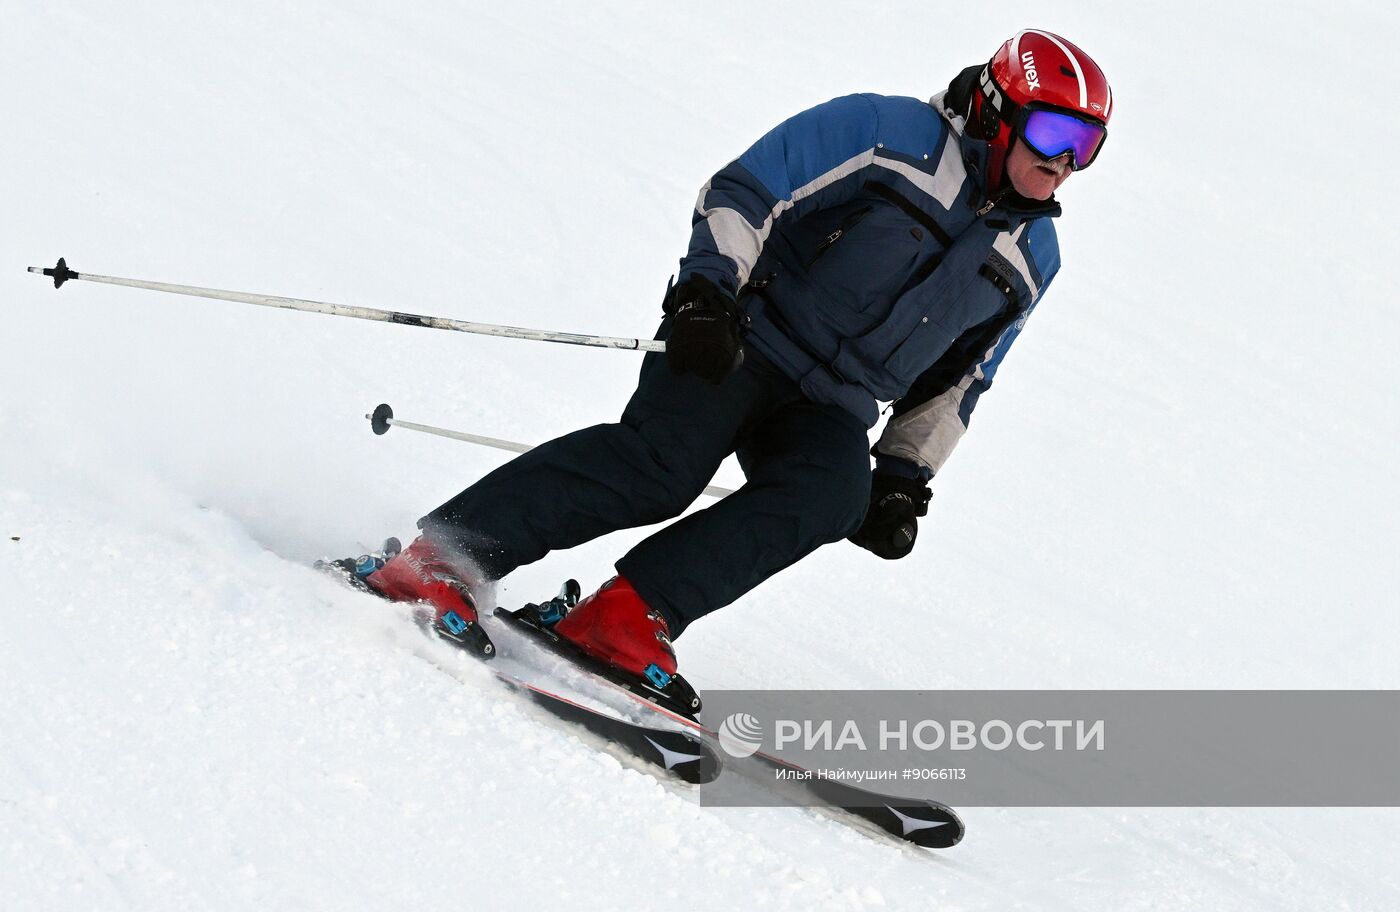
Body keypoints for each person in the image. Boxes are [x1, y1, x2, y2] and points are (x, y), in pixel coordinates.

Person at [345, 30, 1113, 691]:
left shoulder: (1031, 257)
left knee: (832, 492)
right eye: (1053, 135)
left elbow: (962, 380)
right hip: (743, 334)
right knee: (660, 467)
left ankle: (623, 617)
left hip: (833, 404)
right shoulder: (889, 134)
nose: (1066, 164)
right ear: (993, 110)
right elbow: (748, 189)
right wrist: (707, 294)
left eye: (1086, 147)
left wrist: (906, 479)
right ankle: (439, 558)